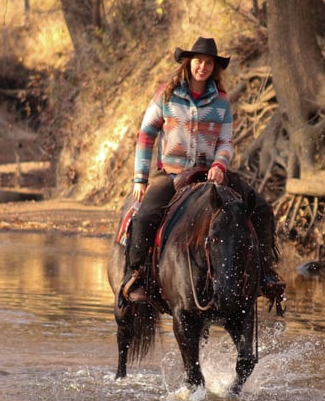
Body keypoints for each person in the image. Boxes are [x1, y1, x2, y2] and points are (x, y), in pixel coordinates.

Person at [120, 36, 285, 304]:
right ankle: (136, 275)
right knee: (145, 215)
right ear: (188, 63)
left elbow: (226, 141)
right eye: (199, 61)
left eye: (209, 63)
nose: (203, 67)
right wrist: (140, 178)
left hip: (211, 173)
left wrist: (220, 164)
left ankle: (266, 272)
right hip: (172, 174)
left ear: (214, 68)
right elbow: (146, 135)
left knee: (262, 208)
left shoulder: (221, 101)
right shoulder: (167, 95)